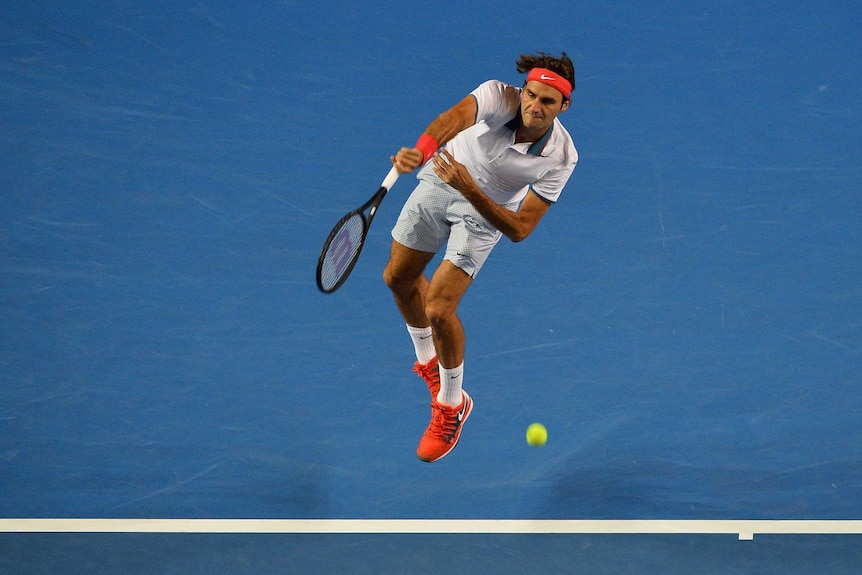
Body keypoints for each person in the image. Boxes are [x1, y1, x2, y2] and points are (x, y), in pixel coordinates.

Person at [383, 52, 578, 463]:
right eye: (531, 95)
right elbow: (453, 119)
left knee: (438, 308)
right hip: (442, 178)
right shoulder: (496, 95)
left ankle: (452, 405)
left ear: (565, 106)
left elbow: (521, 229)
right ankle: (429, 364)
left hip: (487, 213)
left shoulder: (562, 157)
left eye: (547, 101)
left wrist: (471, 189)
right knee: (398, 279)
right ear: (522, 91)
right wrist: (422, 150)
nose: (534, 106)